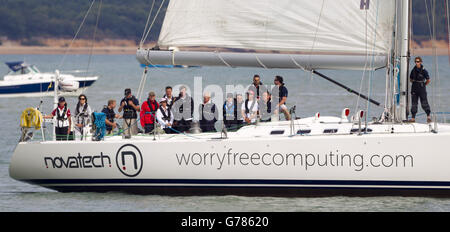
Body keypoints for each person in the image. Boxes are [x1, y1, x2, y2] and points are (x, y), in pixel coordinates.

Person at [410, 56, 432, 123]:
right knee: (414, 103)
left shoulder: (424, 71)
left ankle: (428, 116)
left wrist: (423, 85)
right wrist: (414, 83)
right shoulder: (413, 70)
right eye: (416, 61)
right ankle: (413, 118)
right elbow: (410, 79)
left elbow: (428, 80)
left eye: (418, 61)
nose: (417, 63)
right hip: (414, 88)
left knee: (424, 103)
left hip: (422, 88)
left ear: (421, 62)